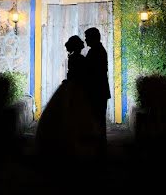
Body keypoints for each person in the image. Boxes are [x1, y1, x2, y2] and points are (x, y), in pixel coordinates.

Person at [35, 35, 100, 157]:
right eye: (81, 44)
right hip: (78, 87)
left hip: (72, 85)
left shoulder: (72, 58)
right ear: (77, 46)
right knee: (75, 112)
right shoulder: (79, 58)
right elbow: (82, 74)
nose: (83, 45)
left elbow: (72, 73)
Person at [84, 26, 111, 154]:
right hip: (99, 90)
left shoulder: (96, 51)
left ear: (92, 38)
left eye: (87, 37)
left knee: (97, 118)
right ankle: (100, 145)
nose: (85, 40)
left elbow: (92, 72)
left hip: (97, 91)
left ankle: (99, 147)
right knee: (98, 118)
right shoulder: (97, 50)